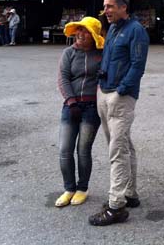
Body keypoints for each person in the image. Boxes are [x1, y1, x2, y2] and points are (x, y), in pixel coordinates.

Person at [89, 0, 149, 226]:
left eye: (111, 6)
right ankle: (130, 193)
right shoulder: (113, 28)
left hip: (120, 97)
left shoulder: (136, 31)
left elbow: (137, 66)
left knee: (117, 150)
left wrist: (120, 91)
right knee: (123, 146)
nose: (106, 11)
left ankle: (116, 206)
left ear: (124, 7)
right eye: (105, 6)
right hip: (104, 92)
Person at [55, 17, 105, 208]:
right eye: (79, 30)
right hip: (71, 106)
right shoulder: (68, 53)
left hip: (92, 108)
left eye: (85, 31)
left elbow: (107, 76)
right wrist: (71, 101)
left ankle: (82, 188)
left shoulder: (101, 54)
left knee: (83, 150)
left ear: (93, 36)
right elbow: (63, 79)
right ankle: (69, 188)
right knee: (65, 150)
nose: (80, 34)